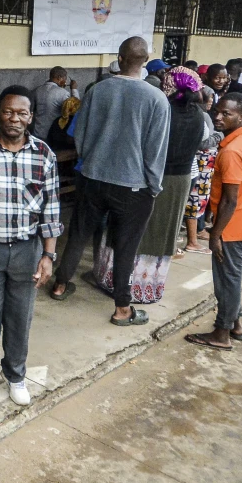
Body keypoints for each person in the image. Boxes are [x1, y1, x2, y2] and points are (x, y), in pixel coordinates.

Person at [50, 37, 169, 326]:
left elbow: (81, 134)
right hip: (133, 186)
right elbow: (156, 150)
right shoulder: (156, 99)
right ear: (145, 60)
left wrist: (91, 161)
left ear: (119, 57)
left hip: (92, 178)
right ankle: (122, 308)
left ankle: (60, 284)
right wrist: (153, 186)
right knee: (126, 246)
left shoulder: (97, 90)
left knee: (78, 233)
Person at [0, 86, 61, 412]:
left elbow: (51, 210)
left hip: (26, 251)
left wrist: (48, 255)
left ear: (31, 116)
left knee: (20, 319)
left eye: (22, 113)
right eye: (8, 112)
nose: (14, 118)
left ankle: (16, 376)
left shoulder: (44, 155)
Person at [95, 67, 207, 302]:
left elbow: (146, 147)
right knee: (163, 231)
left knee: (132, 229)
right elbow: (204, 142)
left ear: (169, 85)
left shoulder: (162, 110)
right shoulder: (199, 115)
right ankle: (148, 288)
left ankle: (118, 283)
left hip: (150, 178)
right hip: (180, 181)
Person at [186, 92, 242, 352]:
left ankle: (222, 333)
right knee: (231, 277)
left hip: (234, 223)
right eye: (217, 111)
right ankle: (236, 325)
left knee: (227, 280)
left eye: (226, 114)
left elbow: (230, 201)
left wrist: (216, 234)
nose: (218, 117)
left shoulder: (232, 151)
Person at [183, 86, 221, 253]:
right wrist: (220, 136)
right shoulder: (200, 115)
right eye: (208, 98)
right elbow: (203, 142)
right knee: (195, 200)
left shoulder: (197, 114)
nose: (211, 102)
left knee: (196, 200)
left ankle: (197, 231)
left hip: (199, 165)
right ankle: (193, 240)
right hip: (199, 164)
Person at [31, 66, 74, 140]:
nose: (66, 82)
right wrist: (74, 89)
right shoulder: (63, 93)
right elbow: (74, 110)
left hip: (37, 132)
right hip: (53, 135)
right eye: (65, 78)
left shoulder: (37, 90)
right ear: (59, 78)